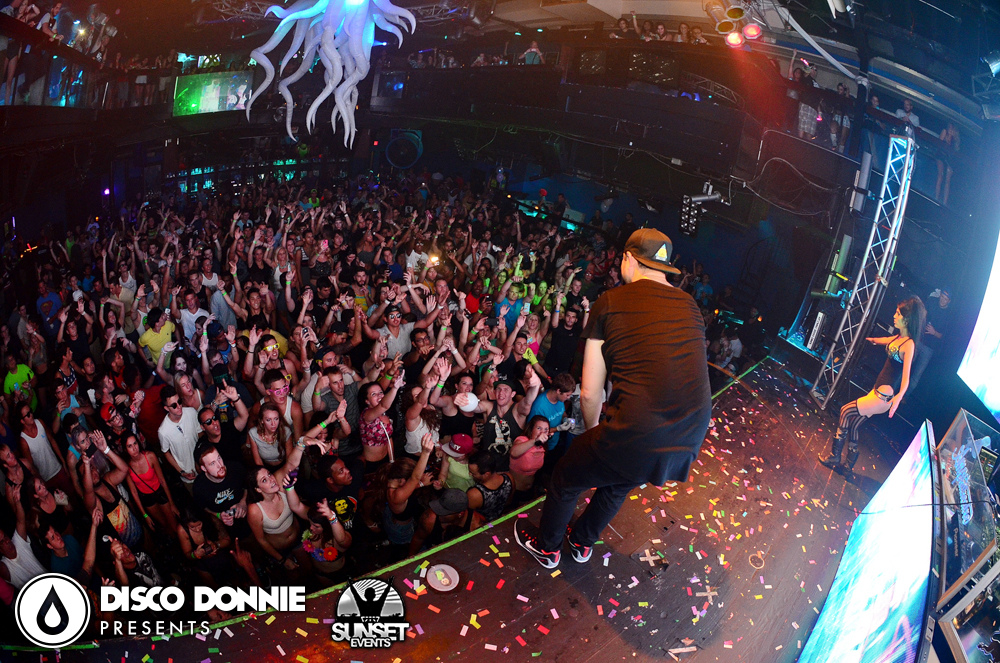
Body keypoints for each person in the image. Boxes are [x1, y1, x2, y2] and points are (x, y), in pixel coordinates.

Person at [515, 229, 712, 568]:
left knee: (565, 478)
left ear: (629, 259)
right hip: (689, 435)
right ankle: (581, 542)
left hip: (640, 430)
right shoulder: (690, 305)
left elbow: (590, 391)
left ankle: (547, 549)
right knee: (619, 482)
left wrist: (594, 434)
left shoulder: (612, 301)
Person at [819, 297, 926, 475]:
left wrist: (898, 398)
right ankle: (848, 467)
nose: (894, 316)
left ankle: (835, 457)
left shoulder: (909, 345)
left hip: (882, 398)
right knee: (854, 424)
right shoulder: (899, 337)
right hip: (876, 392)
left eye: (898, 314)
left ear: (906, 320)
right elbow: (887, 340)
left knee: (845, 411)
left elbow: (906, 378)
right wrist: (874, 339)